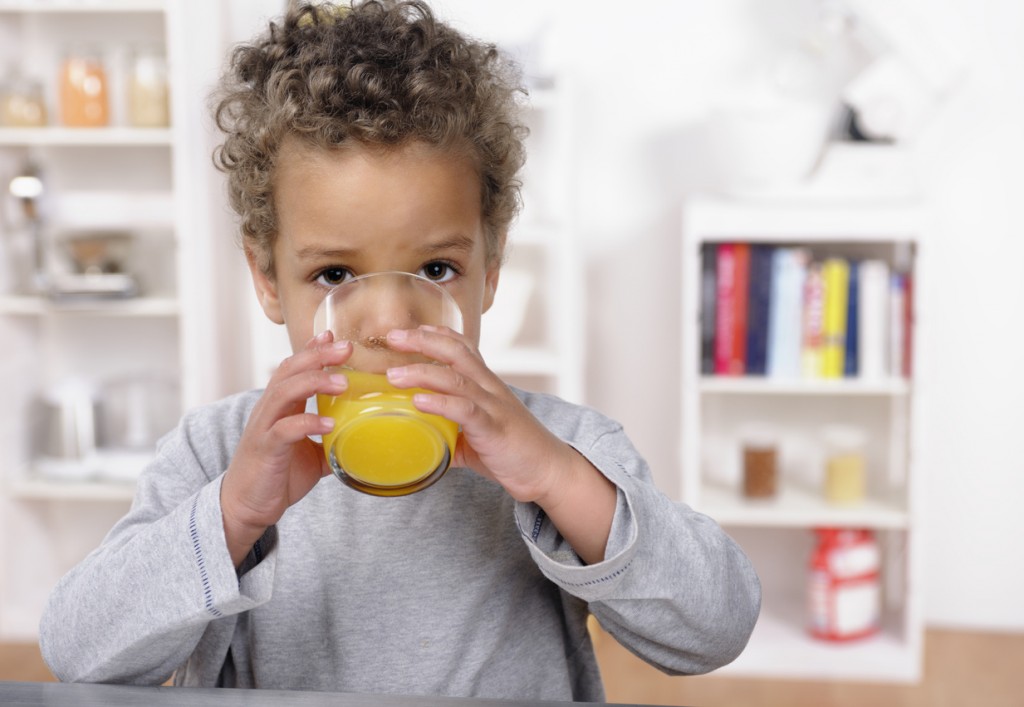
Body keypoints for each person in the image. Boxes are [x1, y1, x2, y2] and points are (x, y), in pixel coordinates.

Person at [39, 1, 760, 701]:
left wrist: (556, 479)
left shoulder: (560, 449)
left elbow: (715, 627)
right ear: (267, 279)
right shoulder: (219, 453)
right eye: (334, 275)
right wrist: (232, 514)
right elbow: (77, 650)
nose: (386, 321)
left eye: (436, 270)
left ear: (491, 270)